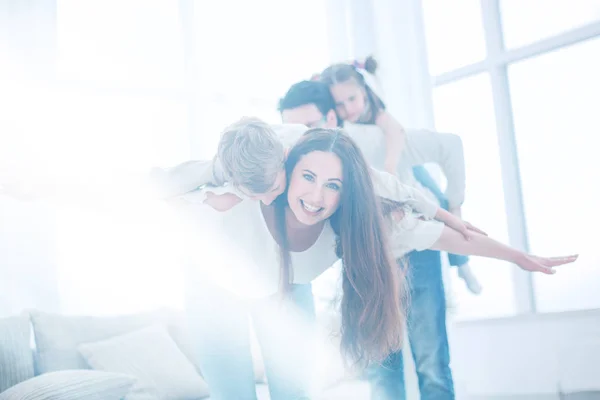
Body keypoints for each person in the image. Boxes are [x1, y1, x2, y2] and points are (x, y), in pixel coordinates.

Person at [176, 126, 576, 400]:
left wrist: (519, 256)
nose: (317, 196)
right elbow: (166, 193)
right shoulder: (246, 190)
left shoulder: (352, 225)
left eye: (333, 186)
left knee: (294, 391)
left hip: (285, 288)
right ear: (285, 171)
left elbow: (446, 237)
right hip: (216, 291)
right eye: (308, 177)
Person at [318, 57, 481, 294]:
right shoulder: (343, 128)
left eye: (352, 99)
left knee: (442, 204)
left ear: (364, 91)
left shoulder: (376, 111)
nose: (348, 109)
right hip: (390, 186)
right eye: (340, 104)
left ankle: (462, 263)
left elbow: (396, 131)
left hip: (397, 164)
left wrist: (390, 167)